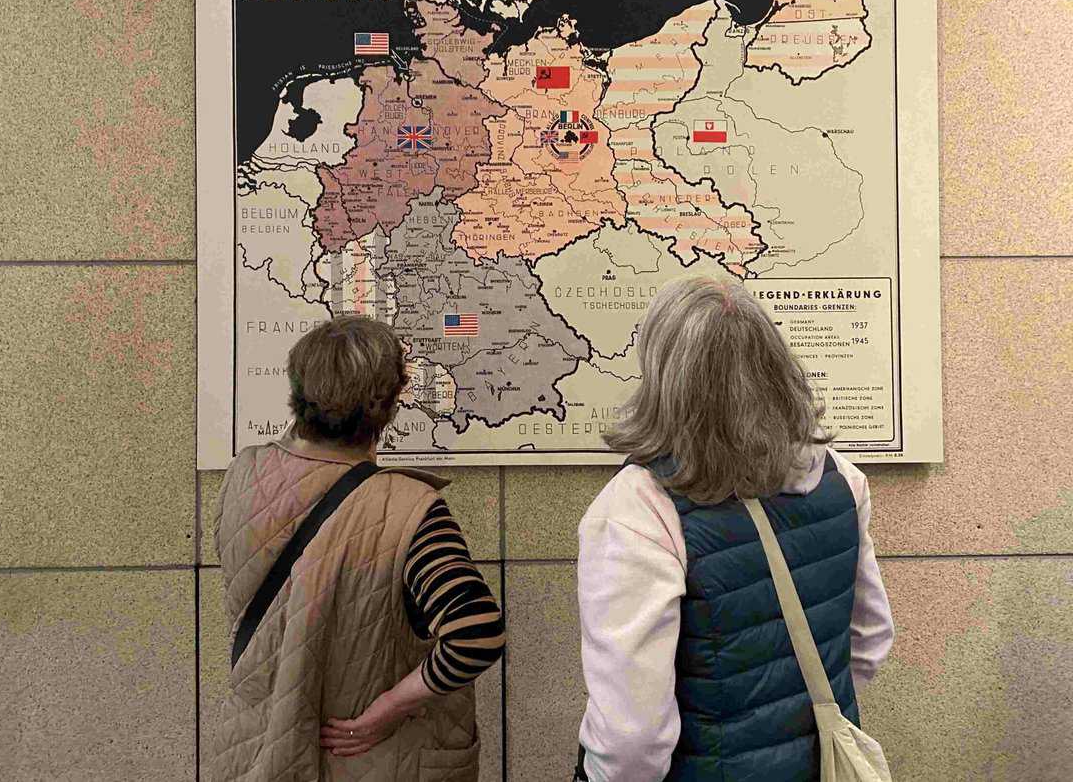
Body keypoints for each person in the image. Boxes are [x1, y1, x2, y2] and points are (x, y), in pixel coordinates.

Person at [575, 277, 894, 782]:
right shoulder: (840, 478)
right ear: (774, 362)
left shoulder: (639, 509)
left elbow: (632, 737)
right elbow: (871, 638)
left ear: (663, 374)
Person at [212, 315, 504, 782]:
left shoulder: (243, 478)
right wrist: (386, 710)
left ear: (298, 392)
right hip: (374, 761)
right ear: (387, 404)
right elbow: (477, 634)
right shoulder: (410, 510)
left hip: (260, 752)